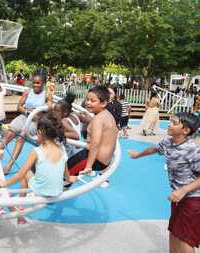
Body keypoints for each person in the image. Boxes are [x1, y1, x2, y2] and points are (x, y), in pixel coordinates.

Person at [128, 112, 200, 253]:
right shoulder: (168, 142)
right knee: (174, 232)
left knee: (185, 239)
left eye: (174, 122)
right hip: (177, 197)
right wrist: (137, 155)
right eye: (170, 121)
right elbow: (153, 149)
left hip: (193, 199)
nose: (169, 124)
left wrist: (183, 190)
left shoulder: (192, 150)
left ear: (186, 130)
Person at [0, 112, 76, 222]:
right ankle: (23, 199)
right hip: (56, 190)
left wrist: (4, 184)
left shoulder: (37, 151)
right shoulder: (62, 149)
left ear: (40, 132)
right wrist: (70, 179)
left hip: (41, 190)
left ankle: (20, 203)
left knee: (27, 172)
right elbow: (65, 172)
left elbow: (21, 175)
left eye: (37, 134)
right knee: (32, 173)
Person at [0, 74, 52, 174]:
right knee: (8, 134)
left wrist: (38, 111)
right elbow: (19, 107)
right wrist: (27, 112)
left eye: (38, 83)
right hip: (24, 117)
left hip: (35, 121)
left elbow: (49, 108)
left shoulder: (46, 94)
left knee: (21, 137)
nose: (35, 85)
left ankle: (9, 166)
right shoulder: (27, 92)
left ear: (43, 84)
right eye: (34, 82)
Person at [67, 86, 118, 180]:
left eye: (92, 101)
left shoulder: (98, 119)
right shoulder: (106, 115)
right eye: (87, 99)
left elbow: (95, 143)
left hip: (96, 160)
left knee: (65, 172)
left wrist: (88, 166)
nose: (88, 103)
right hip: (103, 160)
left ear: (103, 103)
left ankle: (55, 190)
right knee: (69, 166)